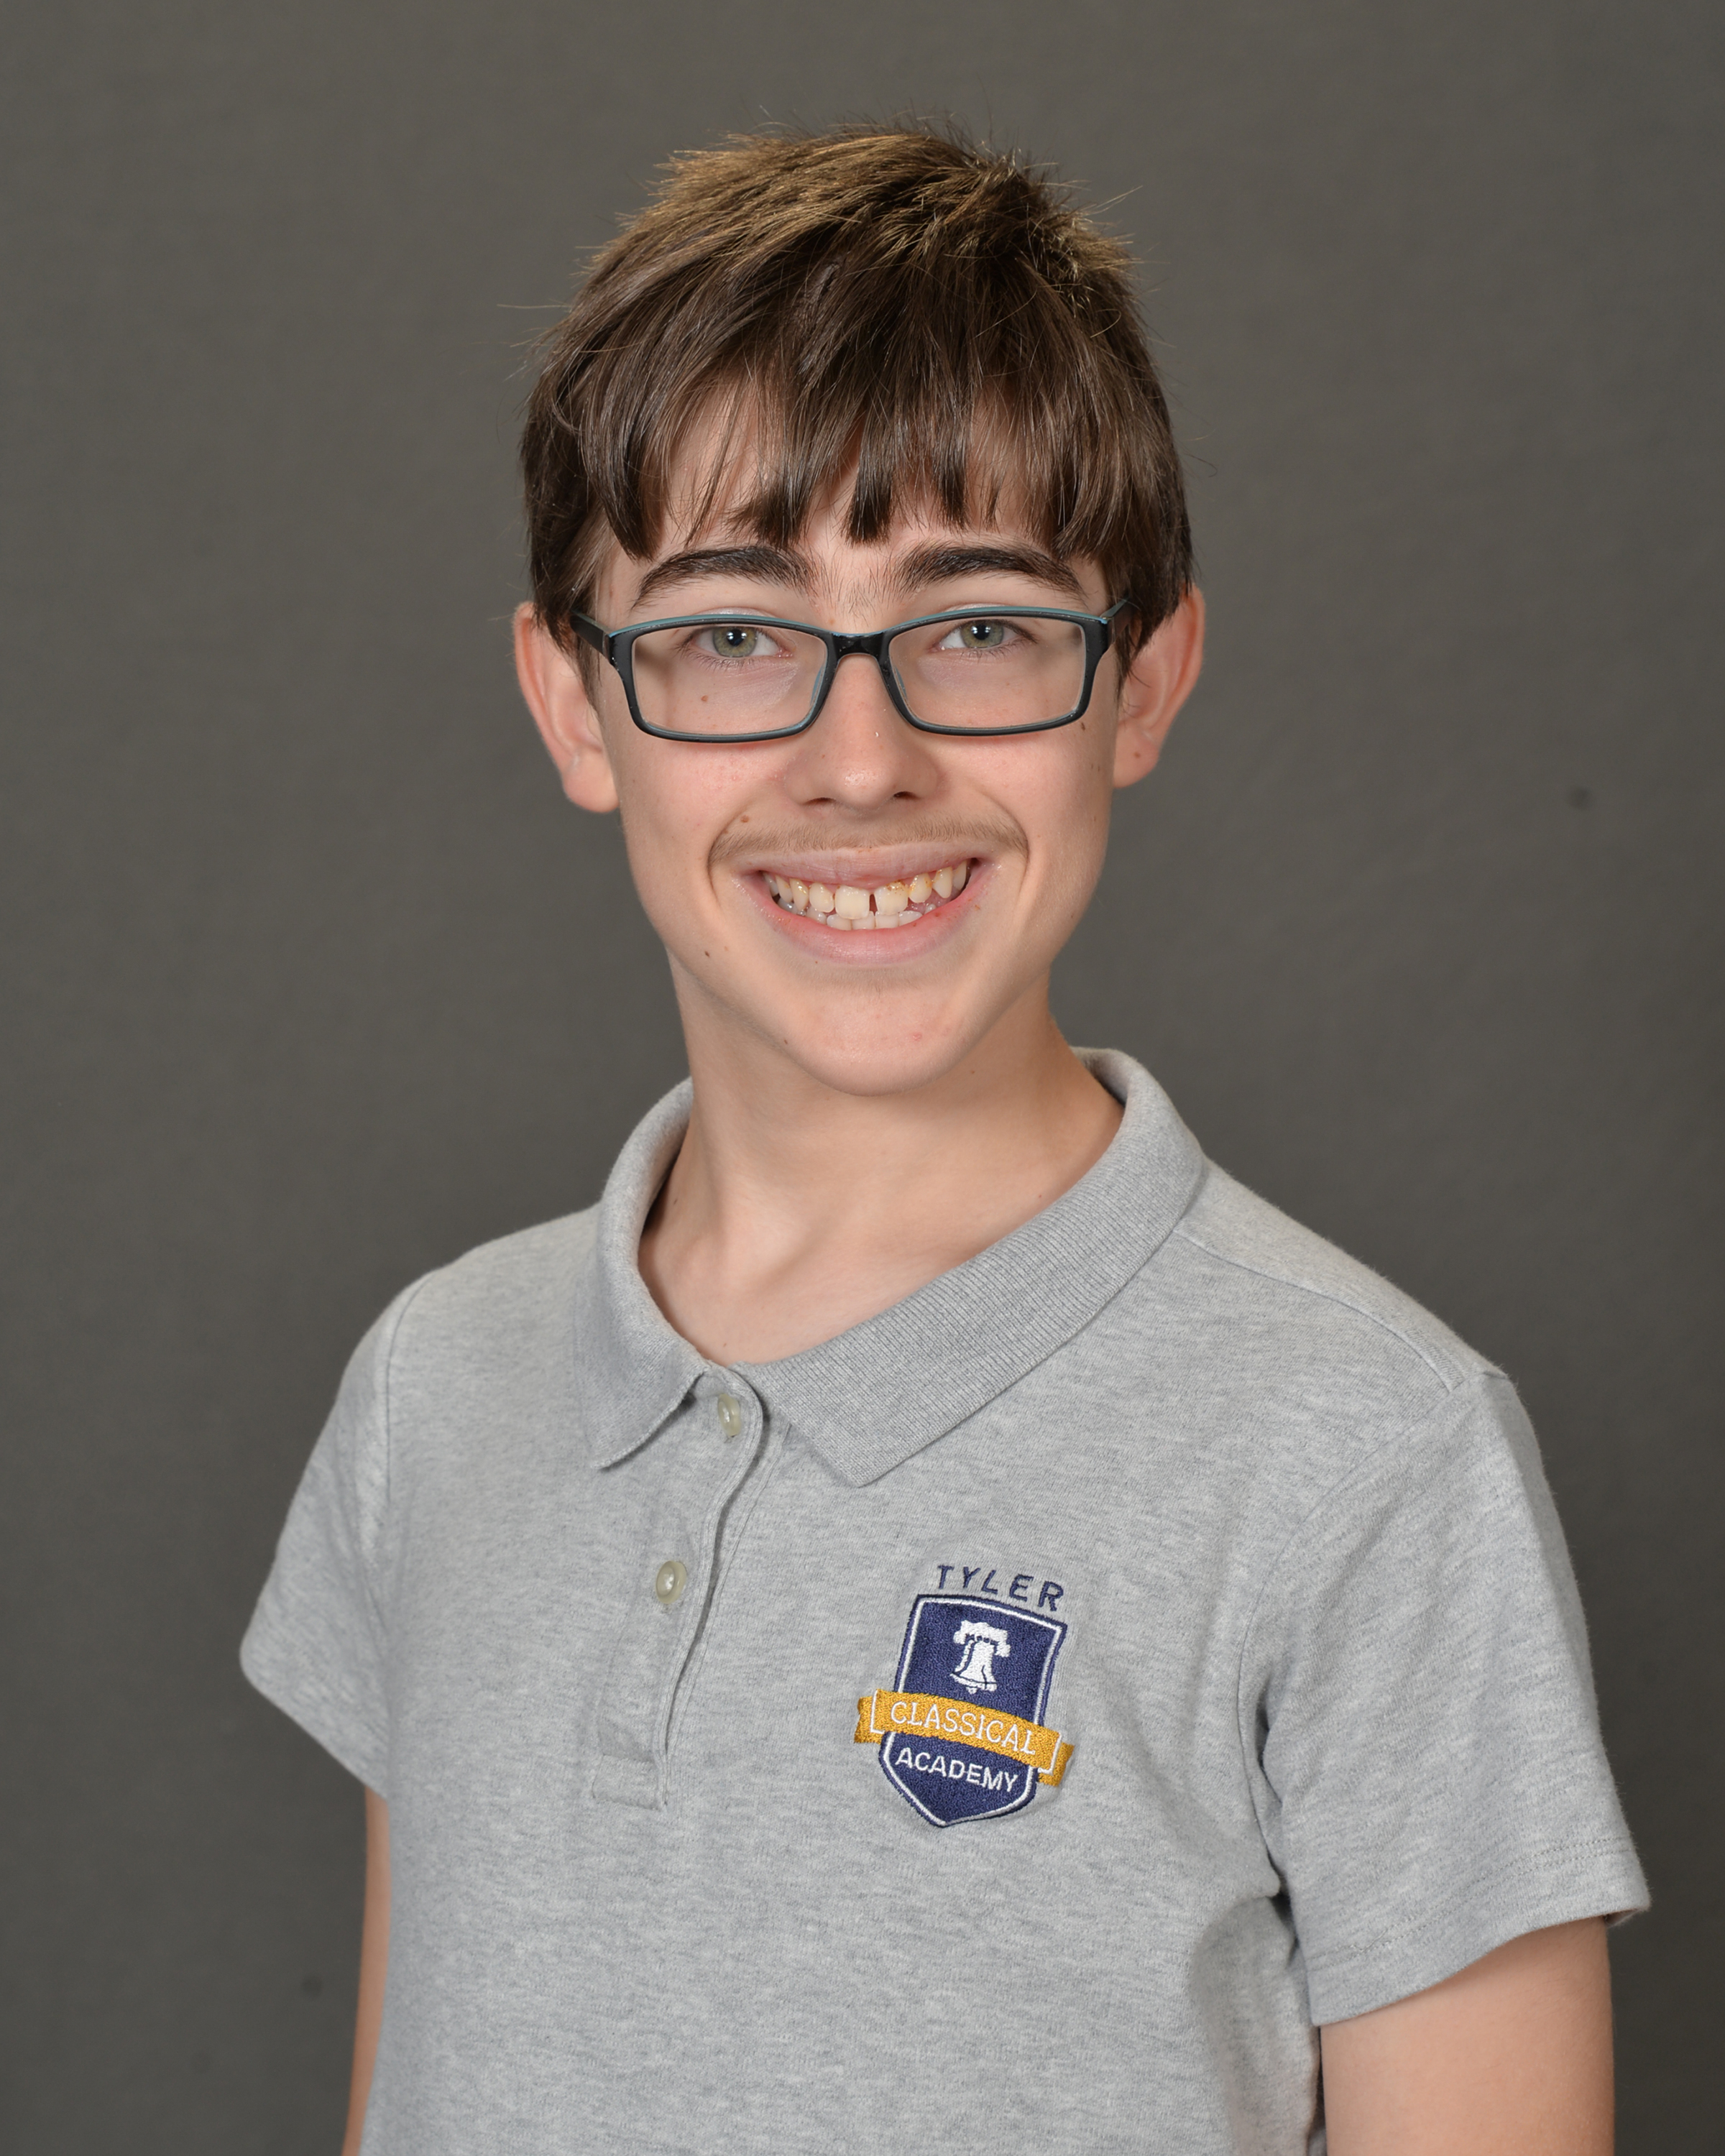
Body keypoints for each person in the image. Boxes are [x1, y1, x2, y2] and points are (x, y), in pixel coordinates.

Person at [242, 125, 1646, 2155]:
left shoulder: (1368, 1457)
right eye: (732, 633)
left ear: (1141, 680)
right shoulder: (432, 1392)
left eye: (978, 626)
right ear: (571, 704)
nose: (860, 760)